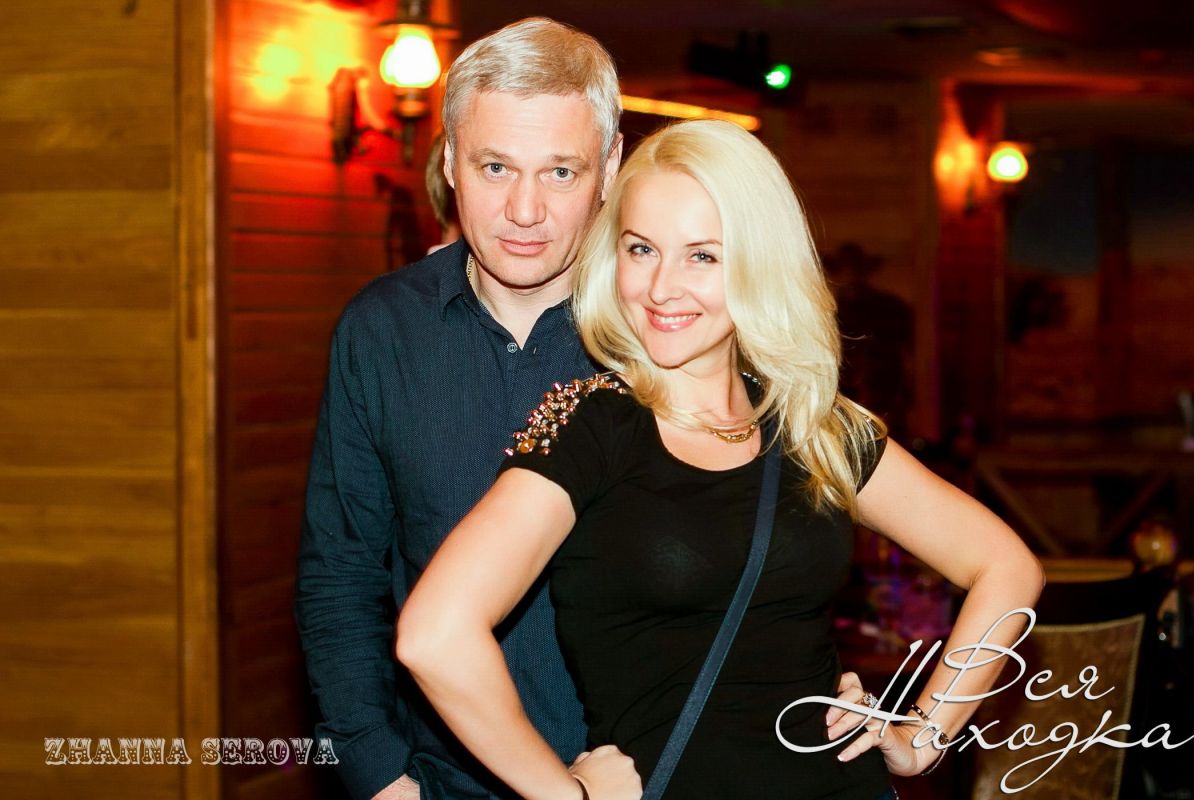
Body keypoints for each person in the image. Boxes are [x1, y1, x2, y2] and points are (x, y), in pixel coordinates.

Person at [395, 120, 1046, 800]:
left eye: (702, 256)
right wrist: (563, 795)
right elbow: (434, 634)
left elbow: (1006, 567)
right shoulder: (591, 427)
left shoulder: (813, 425)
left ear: (760, 264)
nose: (661, 287)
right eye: (641, 249)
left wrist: (922, 738)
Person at [294, 18, 626, 800]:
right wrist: (380, 776)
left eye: (560, 172)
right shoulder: (381, 329)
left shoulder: (662, 331)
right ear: (450, 161)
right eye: (495, 166)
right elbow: (340, 574)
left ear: (610, 167)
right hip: (438, 782)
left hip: (630, 775)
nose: (524, 209)